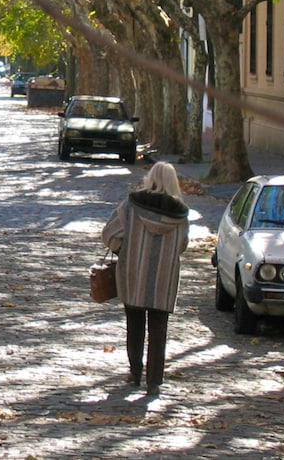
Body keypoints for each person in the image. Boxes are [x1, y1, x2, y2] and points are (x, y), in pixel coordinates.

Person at [101, 162, 189, 396]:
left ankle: (135, 372)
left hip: (133, 273)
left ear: (150, 178)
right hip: (164, 278)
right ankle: (154, 380)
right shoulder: (180, 214)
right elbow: (182, 245)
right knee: (159, 330)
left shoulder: (132, 205)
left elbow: (110, 233)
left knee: (135, 324)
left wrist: (124, 250)